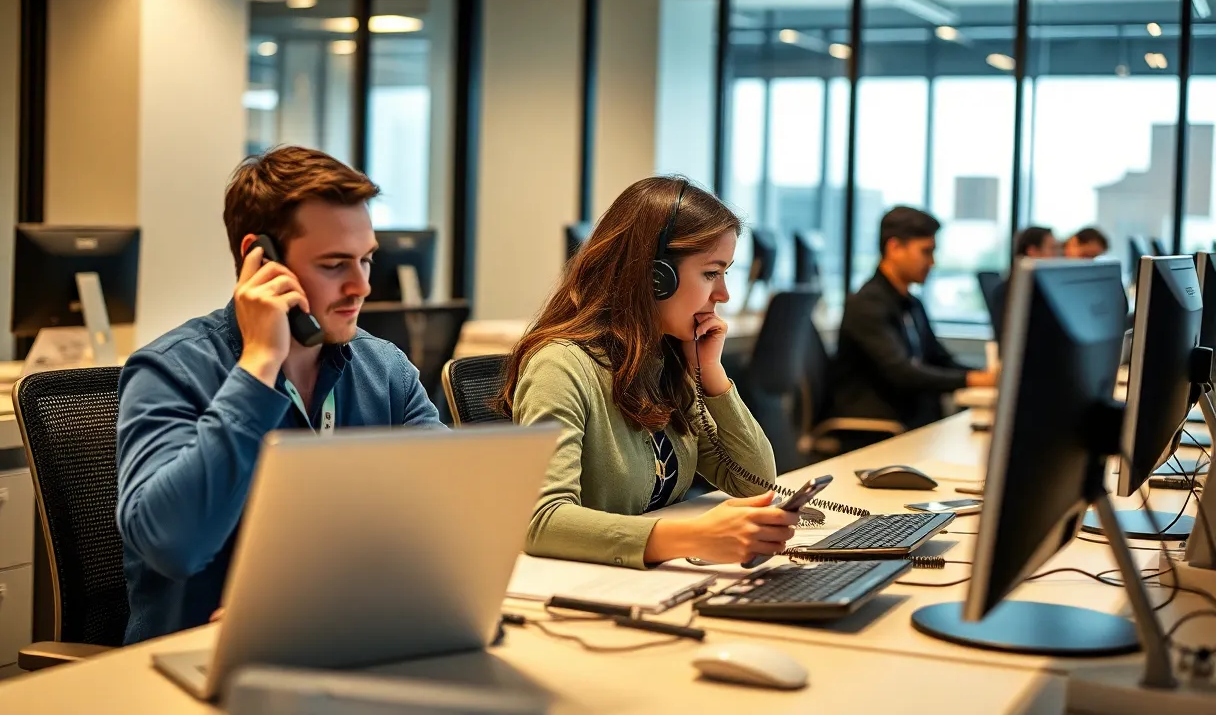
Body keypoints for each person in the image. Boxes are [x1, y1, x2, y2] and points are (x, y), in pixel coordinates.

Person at [116, 146, 442, 644]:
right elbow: (175, 546)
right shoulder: (172, 370)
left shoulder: (385, 370)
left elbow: (447, 522)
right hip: (196, 673)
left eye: (366, 260)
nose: (361, 287)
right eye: (335, 265)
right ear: (261, 258)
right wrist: (258, 367)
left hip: (351, 644)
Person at [501, 177, 798, 569]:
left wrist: (710, 371)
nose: (723, 294)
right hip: (583, 588)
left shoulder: (665, 360)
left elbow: (755, 483)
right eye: (711, 273)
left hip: (647, 582)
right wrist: (695, 537)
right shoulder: (560, 366)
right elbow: (542, 521)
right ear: (657, 278)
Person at [831, 206, 997, 433]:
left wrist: (985, 375)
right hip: (881, 431)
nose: (932, 262)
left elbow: (938, 358)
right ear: (894, 247)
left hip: (915, 426)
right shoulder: (866, 304)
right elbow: (903, 373)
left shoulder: (911, 303)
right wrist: (972, 379)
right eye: (926, 252)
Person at [990, 226, 1059, 339]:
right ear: (1032, 251)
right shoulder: (1009, 292)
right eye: (1052, 249)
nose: (1057, 255)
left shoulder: (1047, 290)